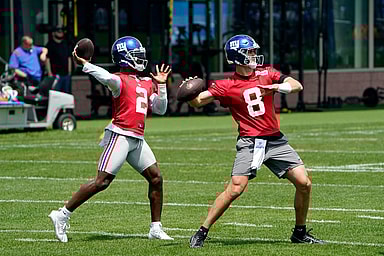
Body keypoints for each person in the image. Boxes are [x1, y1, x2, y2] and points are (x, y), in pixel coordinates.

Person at [187, 34, 325, 248]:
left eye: (253, 51)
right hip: (251, 142)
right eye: (249, 51)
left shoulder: (267, 73)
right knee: (235, 189)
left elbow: (296, 85)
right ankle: (202, 231)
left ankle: (300, 233)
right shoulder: (226, 85)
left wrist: (277, 87)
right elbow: (197, 102)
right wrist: (186, 90)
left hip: (275, 140)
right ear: (237, 56)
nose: (253, 55)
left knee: (304, 183)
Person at [48, 36, 173, 242]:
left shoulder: (146, 82)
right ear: (125, 58)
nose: (141, 58)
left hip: (137, 138)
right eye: (136, 55)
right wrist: (86, 64)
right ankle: (61, 214)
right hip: (121, 135)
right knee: (102, 181)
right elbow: (105, 76)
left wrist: (161, 86)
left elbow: (160, 109)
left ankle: (155, 228)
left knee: (156, 178)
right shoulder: (118, 80)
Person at [45, 27, 72, 93]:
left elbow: (69, 58)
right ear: (53, 33)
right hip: (55, 75)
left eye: (62, 31)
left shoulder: (66, 44)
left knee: (67, 94)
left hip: (66, 75)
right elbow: (47, 60)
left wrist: (69, 71)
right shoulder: (50, 45)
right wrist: (49, 73)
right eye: (58, 31)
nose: (61, 33)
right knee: (56, 94)